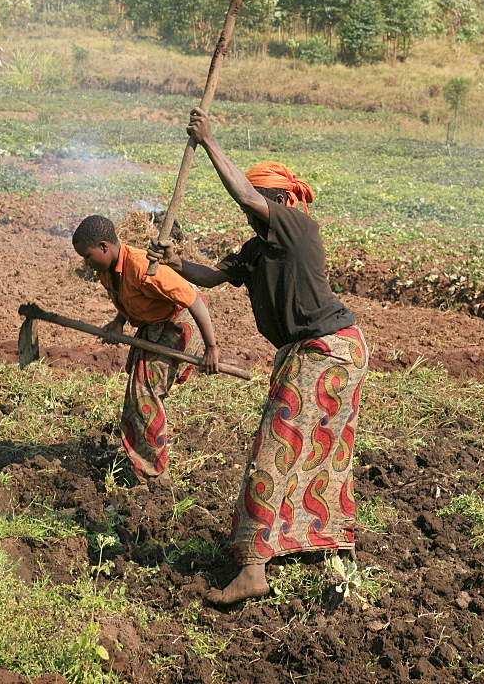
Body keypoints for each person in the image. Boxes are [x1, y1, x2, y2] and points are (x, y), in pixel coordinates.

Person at [149, 108, 368, 603]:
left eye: (257, 203)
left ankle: (253, 568)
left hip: (326, 351)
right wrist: (175, 263)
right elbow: (214, 278)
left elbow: (244, 193)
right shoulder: (255, 249)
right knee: (317, 449)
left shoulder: (296, 227)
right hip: (316, 352)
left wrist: (208, 142)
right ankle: (324, 548)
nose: (249, 211)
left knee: (275, 450)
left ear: (275, 201)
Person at [72, 214, 219, 488]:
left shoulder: (143, 267)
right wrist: (118, 322)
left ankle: (156, 476)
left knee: (145, 392)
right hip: (153, 324)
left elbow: (194, 299)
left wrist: (211, 348)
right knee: (135, 393)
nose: (87, 264)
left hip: (179, 322)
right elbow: (127, 298)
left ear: (104, 247)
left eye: (88, 256)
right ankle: (144, 462)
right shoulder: (106, 270)